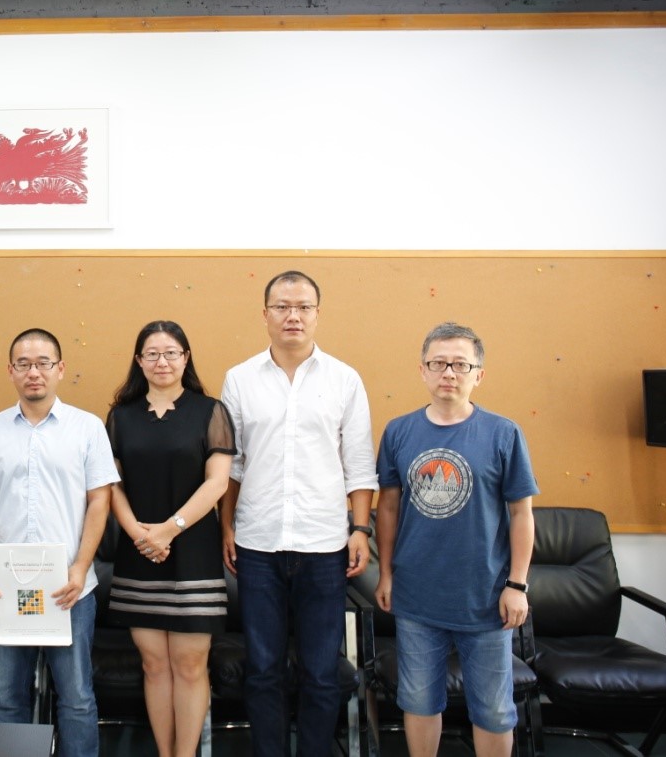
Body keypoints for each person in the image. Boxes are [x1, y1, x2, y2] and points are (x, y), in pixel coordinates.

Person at [219, 270, 378, 757]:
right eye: (283, 306)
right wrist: (226, 526)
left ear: (317, 314)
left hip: (324, 545)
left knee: (321, 671)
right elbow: (231, 464)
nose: (293, 316)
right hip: (257, 544)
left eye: (303, 307)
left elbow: (359, 464)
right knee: (263, 669)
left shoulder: (344, 379)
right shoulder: (239, 379)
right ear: (265, 314)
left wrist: (360, 528)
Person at [374, 322, 538, 757]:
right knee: (418, 701)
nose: (448, 372)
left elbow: (522, 514)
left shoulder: (504, 433)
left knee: (494, 710)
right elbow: (387, 508)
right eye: (438, 363)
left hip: (485, 597)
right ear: (422, 370)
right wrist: (385, 574)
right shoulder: (398, 432)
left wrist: (517, 584)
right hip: (417, 595)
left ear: (478, 374)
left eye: (460, 364)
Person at [0, 328, 119, 757]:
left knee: (77, 698)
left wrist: (80, 567)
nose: (34, 372)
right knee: (5, 698)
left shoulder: (87, 428)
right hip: (5, 590)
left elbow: (100, 501)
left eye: (43, 363)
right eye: (24, 364)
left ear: (60, 369)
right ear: (10, 371)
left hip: (69, 589)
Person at [106, 320, 235, 757]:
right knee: (154, 664)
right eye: (152, 353)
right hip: (138, 551)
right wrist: (138, 532)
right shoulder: (120, 416)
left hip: (193, 552)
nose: (162, 361)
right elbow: (111, 484)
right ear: (139, 361)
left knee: (190, 664)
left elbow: (217, 483)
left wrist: (168, 530)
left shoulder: (210, 411)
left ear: (186, 358)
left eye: (171, 353)